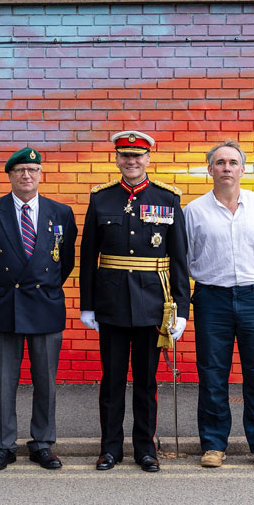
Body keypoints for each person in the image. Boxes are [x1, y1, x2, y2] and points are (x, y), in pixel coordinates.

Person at [79, 130, 189, 473]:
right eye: (125, 156)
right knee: (111, 381)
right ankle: (110, 448)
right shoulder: (101, 199)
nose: (131, 161)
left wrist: (182, 310)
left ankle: (145, 449)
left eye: (138, 156)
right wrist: (87, 304)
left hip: (152, 305)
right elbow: (87, 257)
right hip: (111, 304)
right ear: (117, 159)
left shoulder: (168, 198)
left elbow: (179, 258)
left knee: (145, 382)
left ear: (148, 159)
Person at [0, 147, 77, 471]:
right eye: (20, 170)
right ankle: (4, 445)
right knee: (4, 382)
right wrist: (4, 290)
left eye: (33, 170)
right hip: (6, 304)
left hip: (45, 305)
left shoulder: (61, 212)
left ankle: (43, 443)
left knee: (45, 380)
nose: (26, 175)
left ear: (40, 174)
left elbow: (66, 261)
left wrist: (45, 288)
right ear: (10, 175)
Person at [184, 139, 254, 470]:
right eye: (219, 162)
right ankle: (214, 444)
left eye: (232, 162)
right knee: (213, 373)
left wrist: (251, 282)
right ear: (209, 169)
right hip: (212, 298)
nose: (226, 167)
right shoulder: (193, 212)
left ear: (242, 169)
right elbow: (186, 258)